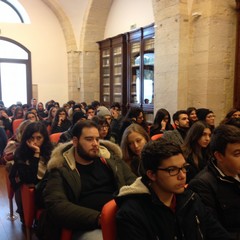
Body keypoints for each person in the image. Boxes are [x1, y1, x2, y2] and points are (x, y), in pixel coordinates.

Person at [38, 120, 136, 240]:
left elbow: (134, 184)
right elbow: (56, 204)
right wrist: (99, 218)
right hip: (87, 224)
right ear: (75, 141)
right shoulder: (61, 167)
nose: (95, 144)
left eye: (97, 139)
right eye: (89, 139)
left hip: (120, 216)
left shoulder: (111, 160)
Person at [115, 138, 231, 240]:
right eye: (172, 170)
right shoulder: (131, 214)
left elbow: (217, 233)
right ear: (152, 175)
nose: (182, 176)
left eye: (183, 168)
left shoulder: (191, 199)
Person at [188, 124, 240, 239]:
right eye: (237, 154)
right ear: (219, 156)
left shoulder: (237, 171)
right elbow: (212, 232)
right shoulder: (202, 185)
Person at [9, 121, 53, 221]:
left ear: (44, 138)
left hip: (49, 185)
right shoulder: (20, 153)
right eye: (31, 138)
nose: (35, 142)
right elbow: (30, 179)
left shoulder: (50, 150)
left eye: (39, 138)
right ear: (26, 139)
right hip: (34, 187)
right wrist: (36, 154)